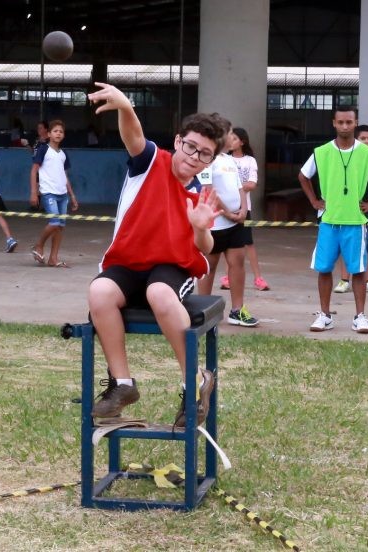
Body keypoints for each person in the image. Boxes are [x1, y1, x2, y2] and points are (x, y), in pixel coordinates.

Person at [85, 82, 223, 426]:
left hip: (174, 267)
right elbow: (133, 135)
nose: (193, 157)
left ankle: (195, 382)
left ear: (211, 159)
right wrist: (125, 107)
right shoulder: (150, 162)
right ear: (178, 141)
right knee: (99, 291)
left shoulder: (201, 196)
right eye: (190, 147)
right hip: (129, 262)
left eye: (203, 153)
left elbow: (206, 250)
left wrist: (201, 228)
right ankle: (122, 384)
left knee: (159, 293)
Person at [298, 106, 368, 334]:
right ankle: (325, 315)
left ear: (355, 122)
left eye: (349, 122)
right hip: (329, 220)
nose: (345, 126)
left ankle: (360, 317)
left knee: (358, 271)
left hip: (356, 221)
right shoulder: (321, 151)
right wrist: (314, 201)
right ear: (334, 123)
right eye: (341, 122)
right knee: (324, 268)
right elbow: (303, 175)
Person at [197, 122, 259, 327]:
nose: (233, 137)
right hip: (215, 224)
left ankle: (237, 310)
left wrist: (242, 210)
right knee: (209, 266)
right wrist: (226, 212)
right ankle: (202, 310)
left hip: (235, 223)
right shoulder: (208, 159)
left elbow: (240, 187)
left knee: (237, 263)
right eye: (230, 134)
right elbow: (207, 189)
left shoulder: (229, 160)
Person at [333, 124, 368, 294]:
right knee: (346, 245)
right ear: (356, 139)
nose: (366, 141)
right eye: (362, 138)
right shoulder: (348, 158)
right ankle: (344, 280)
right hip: (349, 211)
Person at [220, 127, 270, 292]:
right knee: (228, 244)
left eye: (234, 139)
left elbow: (252, 184)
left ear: (242, 142)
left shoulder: (250, 161)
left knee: (248, 244)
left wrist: (234, 186)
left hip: (243, 208)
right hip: (225, 208)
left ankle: (258, 278)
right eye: (230, 138)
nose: (230, 141)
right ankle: (227, 277)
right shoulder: (223, 159)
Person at [29, 119, 78, 267]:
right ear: (49, 134)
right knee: (55, 222)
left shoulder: (63, 154)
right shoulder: (44, 149)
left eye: (61, 131)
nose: (58, 133)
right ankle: (39, 245)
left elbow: (65, 176)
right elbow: (34, 170)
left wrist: (72, 196)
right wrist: (33, 192)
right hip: (48, 192)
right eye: (55, 131)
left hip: (62, 194)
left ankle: (53, 258)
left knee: (60, 226)